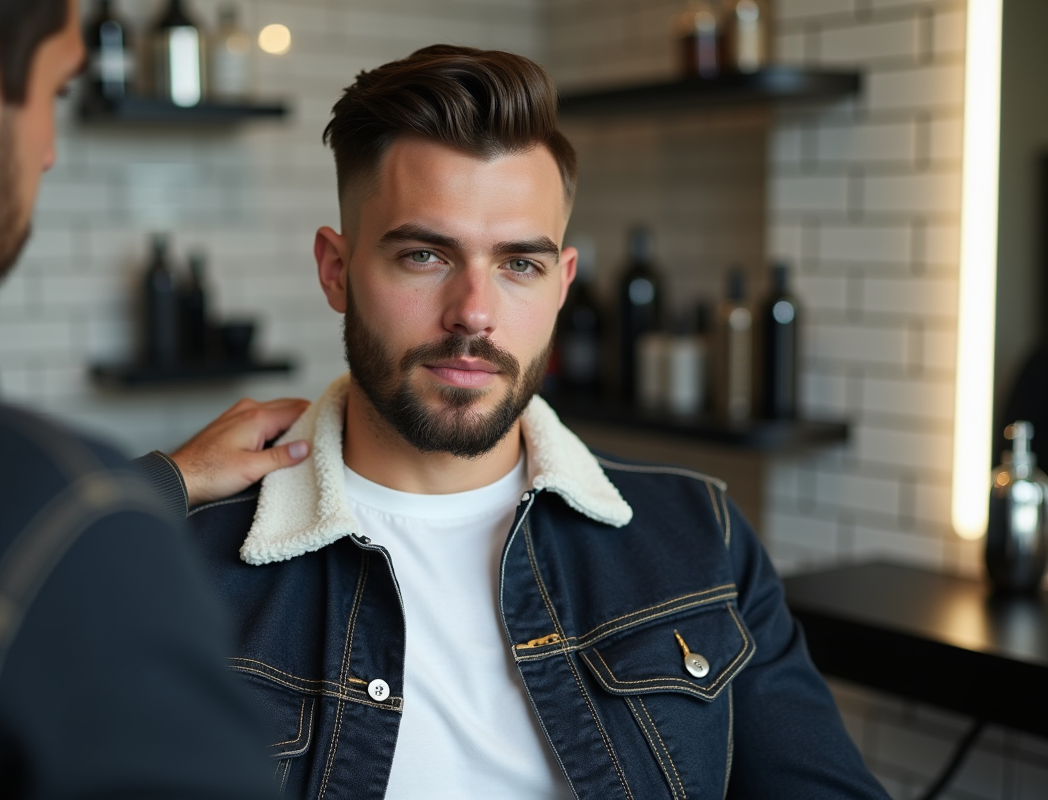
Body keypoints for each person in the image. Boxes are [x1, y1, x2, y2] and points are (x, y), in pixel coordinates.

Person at [186, 45, 892, 800]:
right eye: (425, 255)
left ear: (562, 285)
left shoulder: (700, 536)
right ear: (336, 270)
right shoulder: (185, 559)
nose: (475, 314)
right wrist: (151, 491)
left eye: (519, 264)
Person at [0, 1, 312, 796]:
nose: (52, 154)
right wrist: (89, 518)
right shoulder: (57, 532)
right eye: (57, 94)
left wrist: (159, 481)